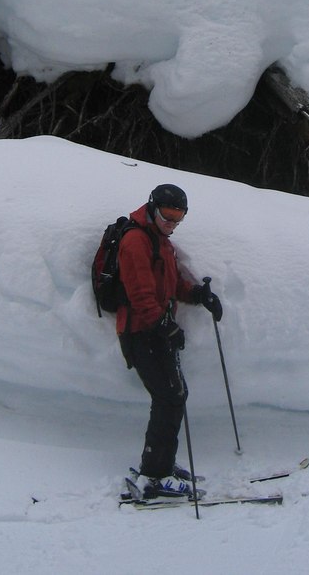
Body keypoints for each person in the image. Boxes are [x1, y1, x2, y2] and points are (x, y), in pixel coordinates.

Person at [117, 183, 223, 498]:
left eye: (179, 217)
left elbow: (171, 284)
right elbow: (139, 295)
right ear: (153, 208)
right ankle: (154, 475)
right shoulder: (135, 241)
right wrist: (164, 325)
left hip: (157, 329)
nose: (172, 223)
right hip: (140, 331)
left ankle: (162, 463)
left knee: (175, 394)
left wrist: (199, 295)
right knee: (168, 396)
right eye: (167, 215)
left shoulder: (160, 242)